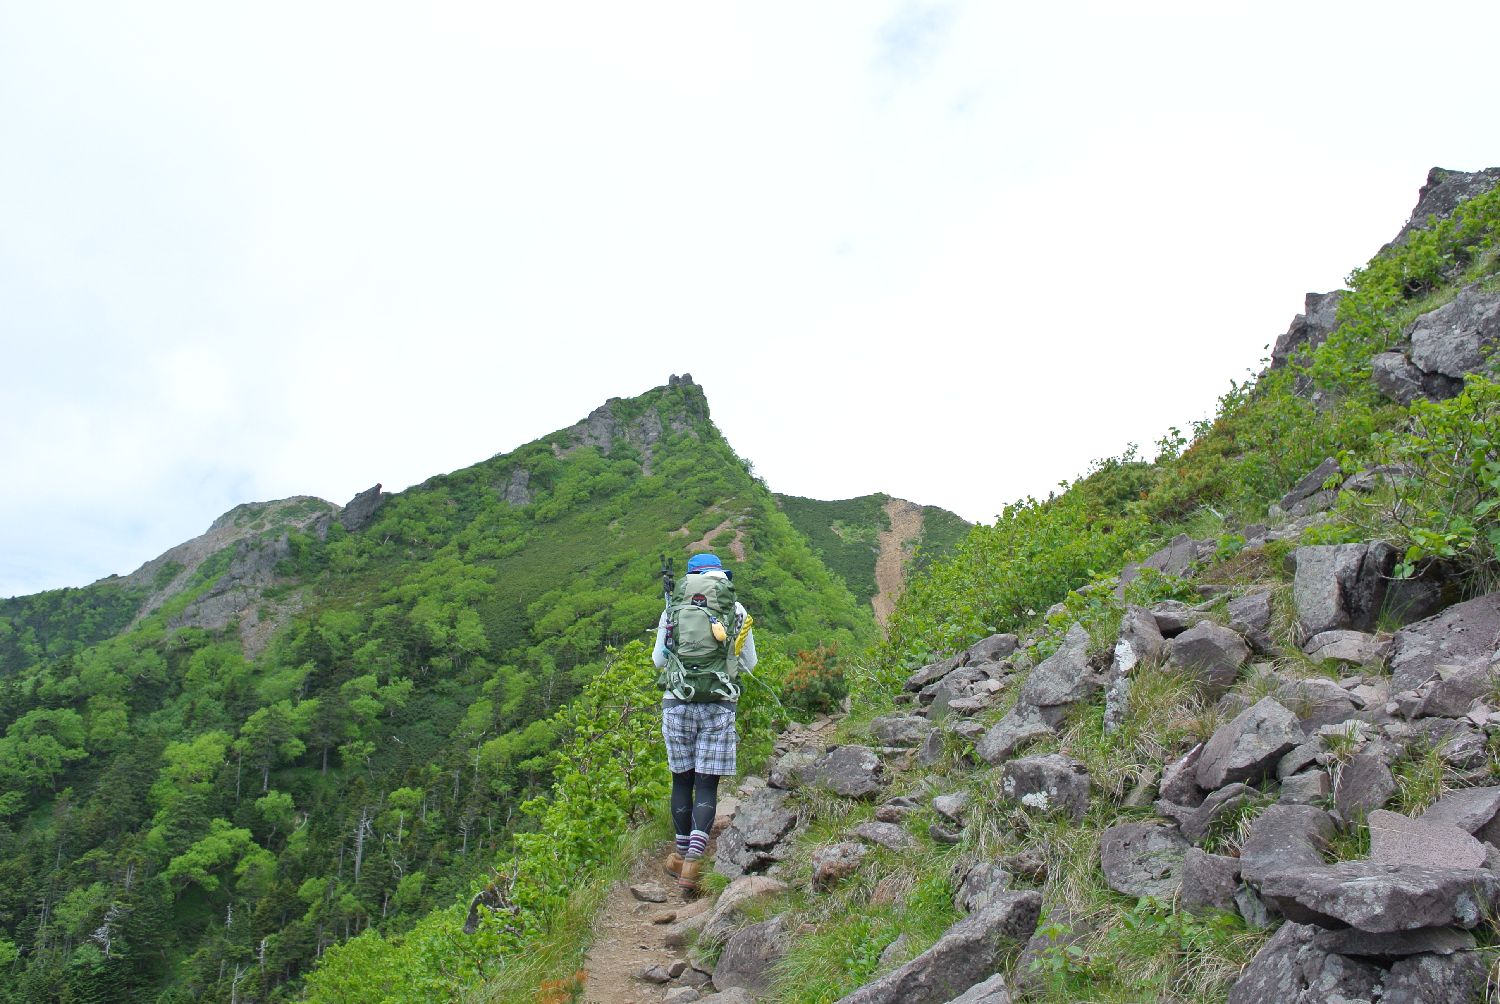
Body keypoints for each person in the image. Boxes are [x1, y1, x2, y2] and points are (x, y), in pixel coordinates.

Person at [653, 552, 756, 893]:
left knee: (681, 781)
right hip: (718, 703)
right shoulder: (736, 609)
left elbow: (658, 661)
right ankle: (694, 862)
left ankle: (680, 854)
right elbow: (750, 663)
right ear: (719, 576)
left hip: (676, 701)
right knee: (707, 784)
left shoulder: (673, 607)